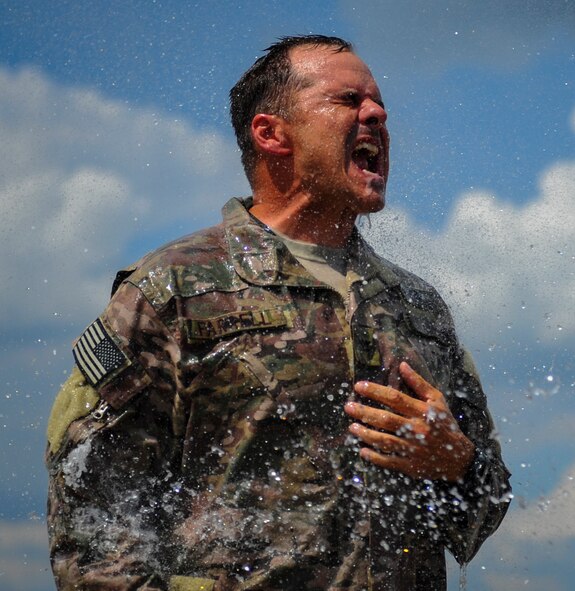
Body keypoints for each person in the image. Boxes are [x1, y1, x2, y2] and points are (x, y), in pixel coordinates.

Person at [46, 35, 511, 591]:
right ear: (272, 134)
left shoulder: (418, 309)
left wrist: (455, 466)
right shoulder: (172, 289)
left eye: (379, 103)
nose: (378, 115)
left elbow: (479, 520)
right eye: (348, 101)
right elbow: (91, 512)